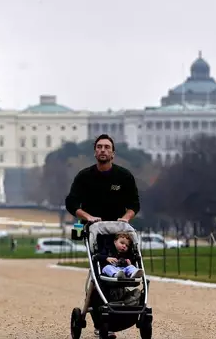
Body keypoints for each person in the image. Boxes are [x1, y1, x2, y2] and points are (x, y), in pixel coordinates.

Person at [65, 134, 141, 339]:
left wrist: (125, 218)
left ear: (113, 153)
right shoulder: (84, 176)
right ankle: (101, 320)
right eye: (99, 147)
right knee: (98, 272)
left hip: (119, 231)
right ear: (95, 151)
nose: (103, 150)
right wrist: (87, 217)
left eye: (107, 147)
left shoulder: (124, 176)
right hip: (94, 230)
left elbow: (134, 204)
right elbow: (72, 204)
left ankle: (128, 303)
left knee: (125, 266)